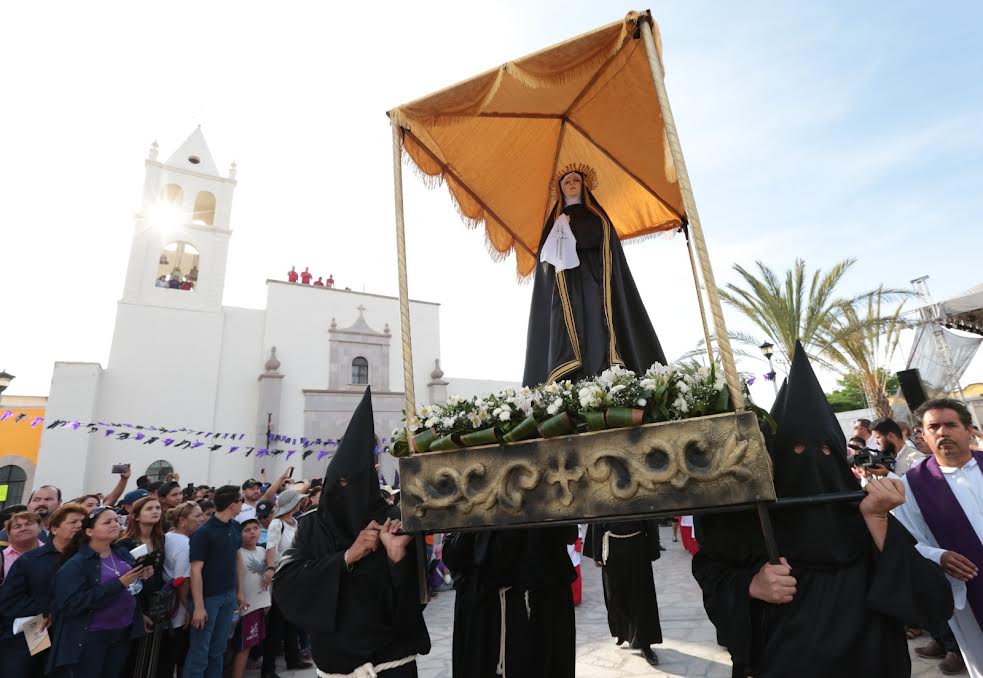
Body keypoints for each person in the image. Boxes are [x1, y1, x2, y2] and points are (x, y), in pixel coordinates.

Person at [692, 342, 954, 677]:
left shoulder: (862, 514)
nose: (813, 457)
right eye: (797, 447)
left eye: (826, 448)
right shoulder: (753, 522)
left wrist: (877, 522)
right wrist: (751, 585)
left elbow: (932, 601)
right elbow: (712, 571)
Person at [274, 387, 430, 676]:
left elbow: (413, 602)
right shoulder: (311, 525)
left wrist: (398, 561)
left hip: (391, 663)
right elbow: (287, 585)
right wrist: (346, 556)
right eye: (341, 482)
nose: (348, 492)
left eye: (356, 484)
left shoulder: (393, 521)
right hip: (338, 668)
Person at [522, 164, 667, 386]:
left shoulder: (596, 216)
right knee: (573, 326)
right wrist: (561, 231)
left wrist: (573, 233)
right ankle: (573, 378)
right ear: (561, 189)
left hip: (595, 280)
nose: (571, 184)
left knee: (596, 322)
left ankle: (604, 372)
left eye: (575, 181)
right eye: (567, 182)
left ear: (583, 186)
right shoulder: (555, 221)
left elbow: (602, 239)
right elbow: (546, 256)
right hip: (566, 287)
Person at [893, 398, 983, 676]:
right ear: (923, 434)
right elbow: (906, 541)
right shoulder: (911, 486)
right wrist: (938, 555)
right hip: (970, 591)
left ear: (968, 430)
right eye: (933, 427)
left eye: (951, 425)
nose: (942, 432)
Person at [50, 507, 154, 678]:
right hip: (92, 637)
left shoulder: (121, 552)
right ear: (89, 531)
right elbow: (72, 604)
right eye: (107, 522)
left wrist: (143, 575)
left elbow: (130, 588)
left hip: (122, 631)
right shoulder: (77, 564)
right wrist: (118, 584)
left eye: (115, 520)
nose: (114, 524)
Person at [0, 503, 86, 677]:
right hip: (35, 628)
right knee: (30, 669)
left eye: (83, 523)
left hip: (71, 632)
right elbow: (9, 599)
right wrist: (47, 613)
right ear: (54, 529)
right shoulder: (31, 560)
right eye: (73, 522)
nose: (79, 526)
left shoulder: (86, 559)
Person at [183, 485, 245, 678]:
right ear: (233, 504)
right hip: (208, 599)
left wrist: (239, 591)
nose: (242, 504)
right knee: (199, 652)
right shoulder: (204, 533)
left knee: (218, 649)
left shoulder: (235, 526)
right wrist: (199, 607)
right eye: (240, 501)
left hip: (228, 596)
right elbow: (195, 570)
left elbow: (237, 558)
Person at [585, 520, 663, 666]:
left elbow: (649, 516)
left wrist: (653, 545)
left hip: (637, 547)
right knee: (615, 595)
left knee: (641, 596)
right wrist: (596, 552)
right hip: (612, 547)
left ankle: (645, 644)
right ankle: (621, 632)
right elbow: (596, 517)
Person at [115, 495, 167, 676]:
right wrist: (139, 611)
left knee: (152, 657)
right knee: (132, 659)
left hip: (156, 602)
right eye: (149, 508)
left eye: (158, 508)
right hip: (134, 603)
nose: (155, 511)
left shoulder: (160, 540)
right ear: (136, 516)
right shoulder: (124, 543)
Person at [261, 489, 311, 676]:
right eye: (298, 501)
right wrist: (271, 568)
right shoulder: (277, 523)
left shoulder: (294, 522)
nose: (301, 504)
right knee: (276, 624)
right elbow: (271, 548)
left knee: (291, 620)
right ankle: (268, 669)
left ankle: (293, 658)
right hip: (280, 576)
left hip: (293, 575)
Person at [160, 501, 205, 678]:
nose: (201, 519)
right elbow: (182, 579)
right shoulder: (185, 545)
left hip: (167, 604)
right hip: (176, 607)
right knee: (176, 656)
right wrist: (186, 607)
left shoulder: (168, 536)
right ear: (182, 521)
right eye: (197, 516)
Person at [231, 518, 272, 678]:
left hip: (260, 605)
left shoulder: (262, 552)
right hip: (246, 606)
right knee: (243, 647)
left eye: (255, 528)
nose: (252, 532)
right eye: (247, 530)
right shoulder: (238, 553)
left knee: (251, 644)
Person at [2, 511, 42, 579]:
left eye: (28, 524)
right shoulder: (2, 557)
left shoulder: (53, 554)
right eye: (17, 527)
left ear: (40, 528)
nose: (23, 529)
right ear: (9, 534)